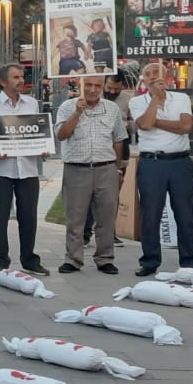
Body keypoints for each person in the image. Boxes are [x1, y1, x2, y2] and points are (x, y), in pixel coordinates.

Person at [0, 63, 48, 275]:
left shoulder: (32, 104)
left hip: (27, 169)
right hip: (1, 170)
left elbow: (36, 131)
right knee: (0, 217)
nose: (20, 81)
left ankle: (30, 259)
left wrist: (43, 147)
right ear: (3, 82)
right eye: (16, 77)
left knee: (29, 216)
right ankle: (0, 258)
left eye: (22, 76)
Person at [129, 62, 193, 276]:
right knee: (150, 213)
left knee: (185, 213)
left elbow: (186, 127)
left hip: (180, 162)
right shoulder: (137, 101)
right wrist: (156, 101)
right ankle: (150, 260)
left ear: (167, 78)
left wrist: (156, 120)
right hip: (153, 163)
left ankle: (188, 260)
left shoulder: (182, 98)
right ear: (143, 79)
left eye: (156, 73)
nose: (152, 77)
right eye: (148, 74)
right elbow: (145, 124)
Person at [55, 76, 127, 274]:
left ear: (102, 87)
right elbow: (61, 135)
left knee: (106, 217)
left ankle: (105, 258)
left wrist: (118, 168)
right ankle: (73, 259)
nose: (93, 89)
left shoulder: (111, 109)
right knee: (75, 218)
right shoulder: (68, 106)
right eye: (88, 85)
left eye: (97, 85)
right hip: (76, 168)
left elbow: (119, 138)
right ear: (81, 85)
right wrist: (78, 112)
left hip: (106, 168)